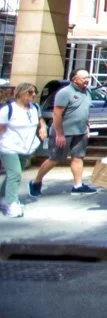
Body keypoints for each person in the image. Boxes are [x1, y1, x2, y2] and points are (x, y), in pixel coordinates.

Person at [29, 69, 97, 197]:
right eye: (84, 78)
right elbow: (57, 114)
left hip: (80, 131)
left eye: (88, 77)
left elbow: (85, 111)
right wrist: (59, 134)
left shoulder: (87, 92)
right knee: (55, 159)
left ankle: (78, 186)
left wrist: (87, 126)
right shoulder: (64, 93)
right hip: (64, 132)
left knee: (78, 157)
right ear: (74, 79)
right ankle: (36, 181)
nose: (87, 80)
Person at [0, 83, 48, 218]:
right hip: (8, 147)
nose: (34, 95)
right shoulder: (8, 109)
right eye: (30, 92)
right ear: (20, 93)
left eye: (35, 92)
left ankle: (3, 197)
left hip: (26, 147)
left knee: (13, 174)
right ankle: (11, 204)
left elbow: (41, 120)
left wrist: (43, 128)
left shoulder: (35, 108)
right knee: (15, 174)